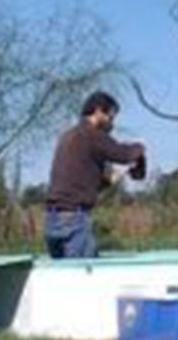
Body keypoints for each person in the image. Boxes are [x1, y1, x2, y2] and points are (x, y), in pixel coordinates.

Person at [44, 91, 146, 259]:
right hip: (74, 218)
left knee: (63, 279)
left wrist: (116, 176)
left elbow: (84, 183)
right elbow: (123, 154)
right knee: (83, 278)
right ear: (98, 111)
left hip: (52, 220)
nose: (111, 124)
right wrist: (140, 147)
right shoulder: (91, 135)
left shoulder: (69, 136)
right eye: (110, 118)